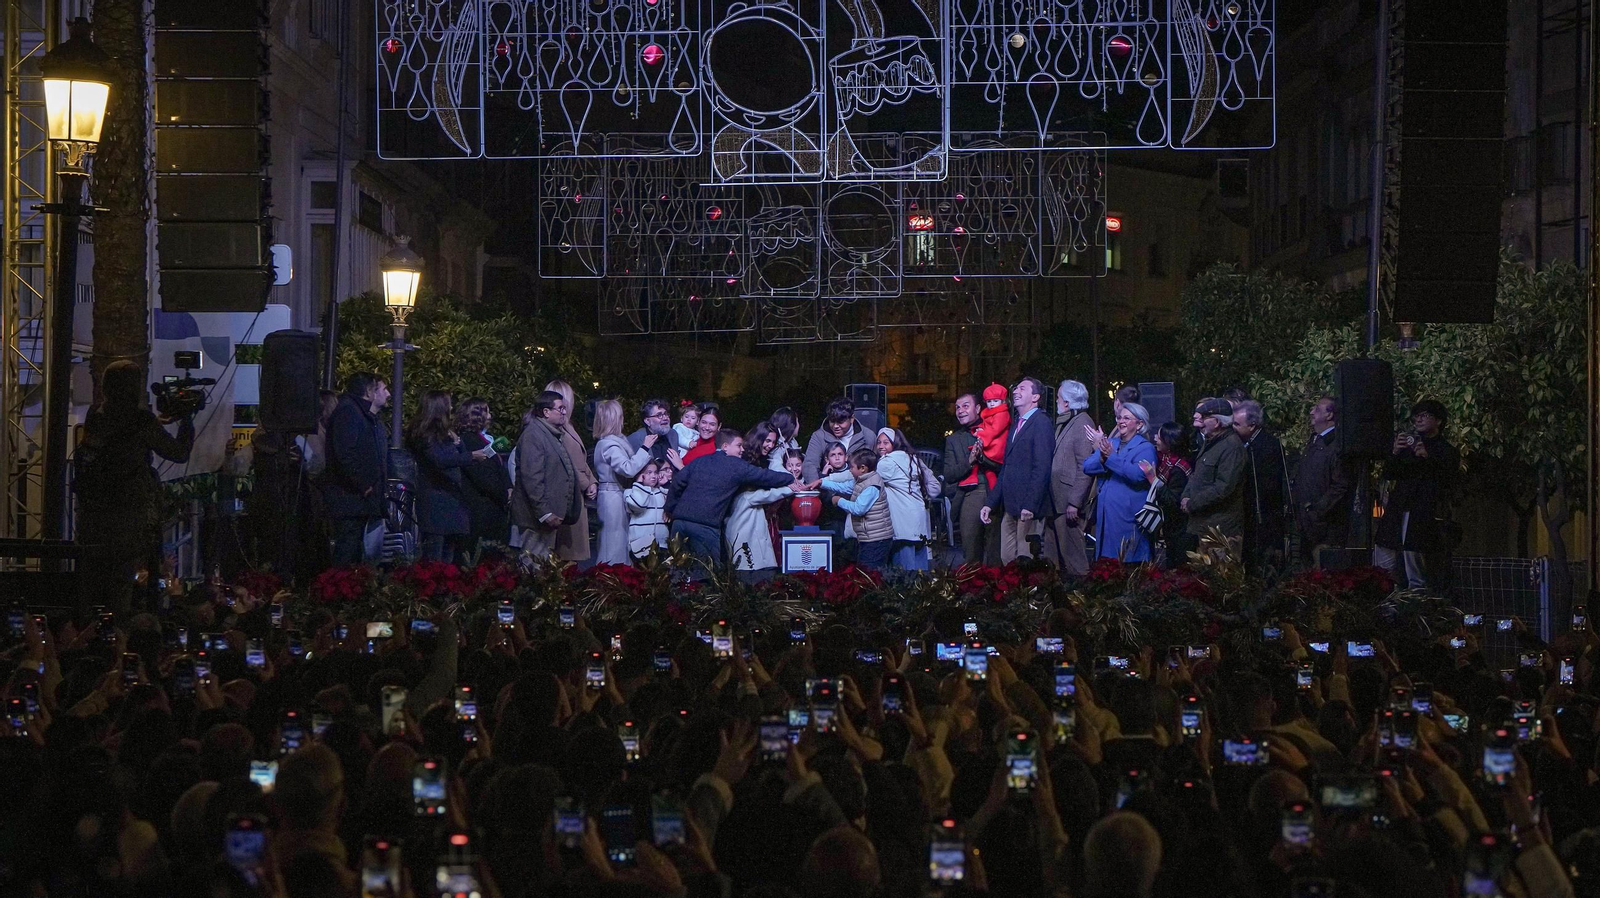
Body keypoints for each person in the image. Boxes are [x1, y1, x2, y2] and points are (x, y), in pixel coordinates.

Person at [75, 359, 197, 612]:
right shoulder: (141, 420)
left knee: (92, 586)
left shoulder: (95, 416)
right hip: (130, 517)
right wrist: (187, 420)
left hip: (94, 518)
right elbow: (178, 453)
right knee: (123, 588)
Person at [665, 427, 796, 563]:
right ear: (725, 447)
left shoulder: (699, 461)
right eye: (739, 445)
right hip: (705, 527)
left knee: (678, 570)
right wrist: (791, 479)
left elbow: (677, 483)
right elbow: (765, 476)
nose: (742, 449)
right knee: (705, 574)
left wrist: (669, 509)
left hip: (679, 524)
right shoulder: (736, 465)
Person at [1374, 399, 1460, 591]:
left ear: (1438, 421)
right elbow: (1389, 473)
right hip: (1397, 509)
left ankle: (1416, 609)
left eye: (1424, 416)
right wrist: (1395, 452)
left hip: (1421, 513)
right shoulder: (1408, 448)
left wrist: (1427, 458)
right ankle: (1388, 605)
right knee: (1385, 562)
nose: (1418, 420)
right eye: (1416, 417)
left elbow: (1448, 480)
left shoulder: (1446, 451)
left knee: (1415, 566)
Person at [980, 377, 1055, 563]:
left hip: (1028, 508)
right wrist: (990, 503)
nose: (1015, 392)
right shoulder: (1016, 425)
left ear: (1036, 397)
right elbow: (1007, 468)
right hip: (1010, 507)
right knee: (1007, 559)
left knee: (1026, 561)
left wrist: (1030, 504)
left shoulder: (1041, 422)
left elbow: (1042, 467)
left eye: (1022, 388)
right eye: (1016, 388)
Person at [407, 391, 488, 563]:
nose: (451, 408)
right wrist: (471, 456)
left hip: (451, 501)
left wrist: (459, 444)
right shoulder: (424, 434)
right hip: (435, 502)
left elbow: (455, 456)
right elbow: (440, 460)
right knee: (433, 557)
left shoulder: (445, 434)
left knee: (447, 558)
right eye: (448, 404)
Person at [320, 372, 390, 566]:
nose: (388, 394)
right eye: (383, 389)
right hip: (351, 499)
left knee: (357, 552)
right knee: (348, 551)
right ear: (369, 391)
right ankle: (340, 591)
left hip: (359, 500)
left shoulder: (362, 414)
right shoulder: (349, 412)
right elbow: (345, 454)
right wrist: (364, 484)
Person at [1082, 402, 1157, 562]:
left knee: (1129, 562)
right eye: (1119, 417)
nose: (1121, 421)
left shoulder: (1145, 448)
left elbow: (1137, 475)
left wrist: (1109, 458)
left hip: (1129, 518)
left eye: (1127, 418)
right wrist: (1102, 457)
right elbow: (1087, 466)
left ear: (1139, 424)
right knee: (1107, 566)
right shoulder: (1112, 443)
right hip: (1106, 516)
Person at [510, 390, 581, 561]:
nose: (564, 412)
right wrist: (545, 513)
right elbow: (532, 478)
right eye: (560, 409)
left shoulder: (549, 434)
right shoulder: (533, 435)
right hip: (535, 518)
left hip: (547, 516)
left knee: (542, 565)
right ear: (546, 412)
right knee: (533, 563)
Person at [591, 399, 658, 565]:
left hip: (615, 495)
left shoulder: (613, 441)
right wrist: (644, 448)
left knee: (617, 542)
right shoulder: (609, 445)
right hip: (612, 497)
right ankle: (610, 581)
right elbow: (627, 469)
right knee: (612, 544)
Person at [1181, 397, 1248, 549]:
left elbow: (1223, 487)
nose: (1200, 423)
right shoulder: (1212, 443)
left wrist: (1192, 503)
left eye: (1205, 418)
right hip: (1206, 525)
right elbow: (1197, 475)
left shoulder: (1232, 447)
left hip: (1221, 530)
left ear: (1217, 422)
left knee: (1220, 571)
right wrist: (1185, 496)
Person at [1294, 395, 1353, 566]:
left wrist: (1318, 510)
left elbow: (1341, 484)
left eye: (1317, 409)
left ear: (1329, 415)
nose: (1312, 412)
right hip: (1307, 523)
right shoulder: (1315, 441)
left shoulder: (1337, 445)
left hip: (1325, 526)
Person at [1232, 399, 1291, 570]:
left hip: (1265, 515)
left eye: (1237, 424)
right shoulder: (1245, 444)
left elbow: (1268, 486)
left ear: (1252, 426)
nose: (1233, 428)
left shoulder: (1268, 446)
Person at [1045, 379, 1095, 577]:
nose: (1056, 401)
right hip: (1056, 501)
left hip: (1067, 502)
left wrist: (1074, 502)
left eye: (1058, 397)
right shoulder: (1067, 422)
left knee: (1074, 557)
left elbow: (1086, 467)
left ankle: (1081, 596)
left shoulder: (1082, 423)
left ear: (1066, 402)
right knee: (1054, 555)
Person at [873, 427, 940, 572]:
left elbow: (864, 481)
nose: (881, 446)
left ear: (895, 443)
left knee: (904, 573)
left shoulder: (885, 463)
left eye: (886, 442)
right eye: (879, 442)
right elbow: (935, 487)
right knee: (921, 571)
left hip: (901, 522)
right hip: (919, 518)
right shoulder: (914, 459)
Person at [815, 448, 894, 570]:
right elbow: (844, 487)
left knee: (869, 574)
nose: (850, 470)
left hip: (877, 540)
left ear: (862, 468)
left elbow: (858, 509)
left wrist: (838, 500)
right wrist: (821, 482)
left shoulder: (872, 486)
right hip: (869, 538)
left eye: (851, 467)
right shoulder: (863, 480)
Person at [942, 393, 997, 566]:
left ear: (978, 408)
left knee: (997, 553)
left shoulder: (993, 430)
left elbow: (1003, 462)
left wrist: (982, 458)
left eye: (966, 406)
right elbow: (949, 474)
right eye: (957, 407)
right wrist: (969, 461)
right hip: (970, 493)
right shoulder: (953, 440)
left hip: (995, 493)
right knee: (971, 553)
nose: (960, 411)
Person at [725, 436, 794, 573]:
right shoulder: (747, 496)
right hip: (749, 551)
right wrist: (792, 488)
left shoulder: (735, 498)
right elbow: (770, 495)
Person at [455, 397, 512, 558]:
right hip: (481, 509)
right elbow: (483, 476)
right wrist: (503, 494)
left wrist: (508, 487)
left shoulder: (484, 440)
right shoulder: (469, 441)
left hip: (492, 507)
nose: (490, 415)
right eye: (486, 411)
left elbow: (498, 468)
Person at [1140, 421, 1194, 567]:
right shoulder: (1165, 460)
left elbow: (1172, 500)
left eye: (1159, 437)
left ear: (1169, 443)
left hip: (1180, 529)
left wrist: (1153, 479)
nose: (1155, 439)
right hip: (1171, 527)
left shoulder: (1179, 468)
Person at [803, 397, 869, 481]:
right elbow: (810, 465)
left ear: (852, 419)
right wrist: (816, 487)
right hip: (827, 490)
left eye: (840, 422)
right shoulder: (819, 436)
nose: (835, 426)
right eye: (832, 421)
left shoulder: (867, 436)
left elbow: (872, 469)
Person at [625, 460, 669, 559]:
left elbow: (672, 503)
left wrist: (665, 485)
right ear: (640, 475)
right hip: (641, 545)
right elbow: (638, 505)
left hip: (662, 544)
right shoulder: (630, 493)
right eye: (649, 473)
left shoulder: (660, 492)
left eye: (656, 472)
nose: (653, 476)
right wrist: (639, 484)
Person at [974, 382, 1011, 472]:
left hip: (997, 446)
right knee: (987, 472)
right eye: (989, 401)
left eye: (995, 401)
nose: (992, 404)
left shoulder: (1002, 414)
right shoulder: (989, 412)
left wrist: (980, 433)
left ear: (1003, 401)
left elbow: (995, 430)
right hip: (991, 441)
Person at [628, 398, 676, 464]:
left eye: (666, 414)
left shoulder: (673, 434)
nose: (665, 418)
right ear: (647, 421)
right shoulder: (636, 439)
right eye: (659, 415)